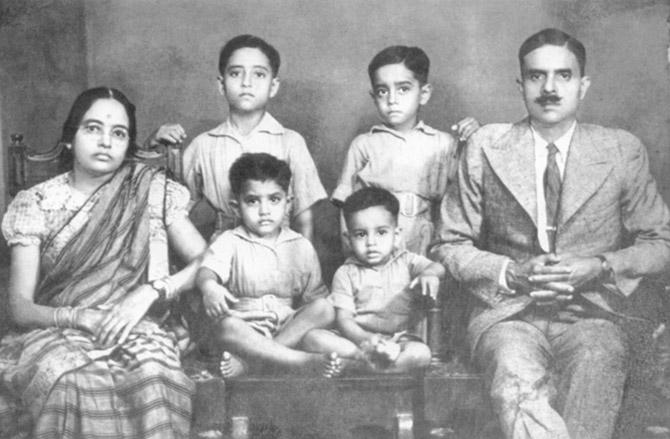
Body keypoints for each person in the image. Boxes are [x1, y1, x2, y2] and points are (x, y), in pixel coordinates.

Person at [430, 28, 670, 439]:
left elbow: (660, 243)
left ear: (584, 85)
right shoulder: (487, 145)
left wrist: (599, 266)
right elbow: (448, 245)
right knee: (514, 372)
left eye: (564, 75)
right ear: (520, 83)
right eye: (537, 76)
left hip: (594, 315)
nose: (550, 88)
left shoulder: (620, 150)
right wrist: (512, 272)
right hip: (509, 316)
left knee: (599, 359)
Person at [0, 87, 207, 438]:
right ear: (70, 139)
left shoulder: (151, 190)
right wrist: (80, 318)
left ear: (128, 146)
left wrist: (152, 292)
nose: (106, 141)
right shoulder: (36, 202)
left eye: (119, 133)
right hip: (58, 329)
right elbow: (19, 307)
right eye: (92, 128)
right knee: (72, 382)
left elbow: (209, 261)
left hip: (137, 325)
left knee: (153, 376)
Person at [147, 34, 326, 242]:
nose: (246, 83)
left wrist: (305, 266)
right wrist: (152, 145)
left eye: (258, 74)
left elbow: (304, 218)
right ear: (221, 85)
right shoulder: (204, 144)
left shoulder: (290, 142)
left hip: (279, 250)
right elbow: (173, 208)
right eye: (235, 73)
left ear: (273, 86)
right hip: (222, 250)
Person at [195, 152, 341, 378]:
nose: (264, 210)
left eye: (274, 199)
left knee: (325, 308)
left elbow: (314, 298)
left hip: (287, 327)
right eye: (253, 201)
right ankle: (300, 360)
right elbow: (207, 271)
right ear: (236, 207)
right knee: (227, 327)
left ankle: (254, 363)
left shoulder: (300, 245)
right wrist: (209, 287)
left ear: (288, 202)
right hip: (246, 329)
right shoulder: (230, 241)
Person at [331, 45, 479, 256]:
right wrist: (352, 255)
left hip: (426, 244)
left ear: (424, 94)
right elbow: (347, 207)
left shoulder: (443, 143)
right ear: (374, 97)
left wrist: (474, 137)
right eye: (383, 91)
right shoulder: (364, 145)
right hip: (374, 247)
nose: (392, 100)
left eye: (403, 89)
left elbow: (466, 194)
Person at [305, 187, 445, 373]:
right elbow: (344, 320)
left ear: (396, 235)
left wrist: (430, 274)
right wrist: (366, 340)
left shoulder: (407, 261)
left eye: (381, 232)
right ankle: (363, 360)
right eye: (361, 234)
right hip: (358, 341)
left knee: (421, 354)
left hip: (398, 340)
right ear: (348, 239)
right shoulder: (346, 272)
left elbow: (438, 267)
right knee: (312, 338)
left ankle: (366, 368)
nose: (371, 242)